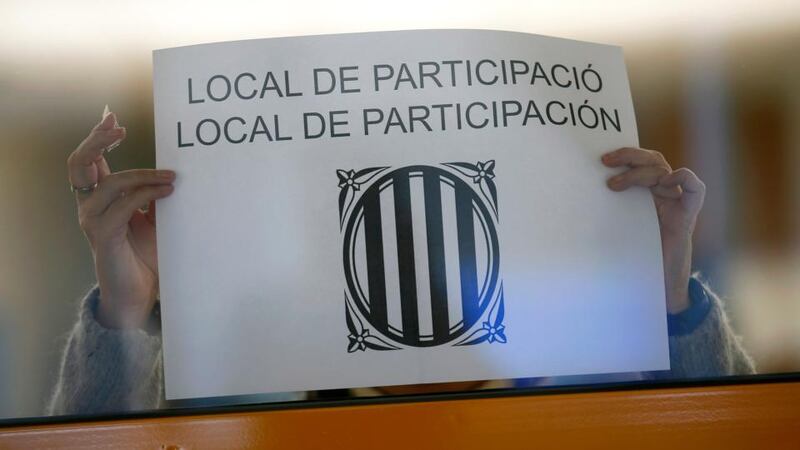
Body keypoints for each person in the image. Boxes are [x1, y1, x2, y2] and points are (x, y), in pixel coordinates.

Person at [47, 108, 755, 415]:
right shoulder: (244, 408)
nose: (418, 251)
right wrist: (125, 314)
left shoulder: (599, 396)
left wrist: (664, 292)